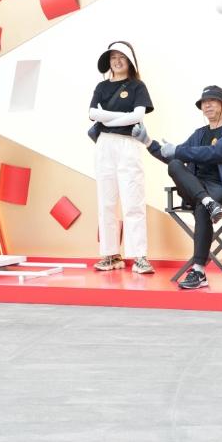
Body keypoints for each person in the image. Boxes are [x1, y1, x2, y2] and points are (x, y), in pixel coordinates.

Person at [133, 85, 222, 290]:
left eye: (212, 101)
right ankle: (207, 201)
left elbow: (216, 153)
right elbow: (172, 156)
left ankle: (198, 270)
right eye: (204, 103)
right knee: (175, 165)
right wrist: (148, 142)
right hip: (196, 187)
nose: (207, 105)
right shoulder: (199, 134)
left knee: (202, 206)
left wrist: (178, 150)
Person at [87, 41, 155, 274]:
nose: (117, 61)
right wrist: (121, 116)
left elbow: (138, 116)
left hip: (129, 144)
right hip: (105, 145)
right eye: (113, 57)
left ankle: (139, 257)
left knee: (133, 200)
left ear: (130, 61)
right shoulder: (101, 86)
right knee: (105, 202)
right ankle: (110, 254)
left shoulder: (138, 86)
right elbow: (92, 113)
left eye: (122, 57)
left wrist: (107, 118)